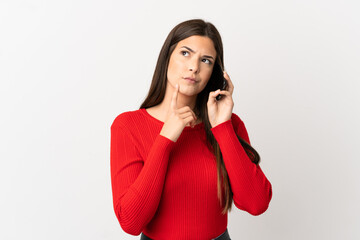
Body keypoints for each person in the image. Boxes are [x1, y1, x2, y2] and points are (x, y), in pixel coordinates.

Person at [110, 19, 272, 240]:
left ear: (213, 71)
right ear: (167, 56)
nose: (194, 67)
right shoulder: (128, 126)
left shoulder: (229, 125)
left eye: (205, 60)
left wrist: (222, 128)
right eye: (185, 53)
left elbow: (257, 203)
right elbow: (130, 222)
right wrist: (165, 139)